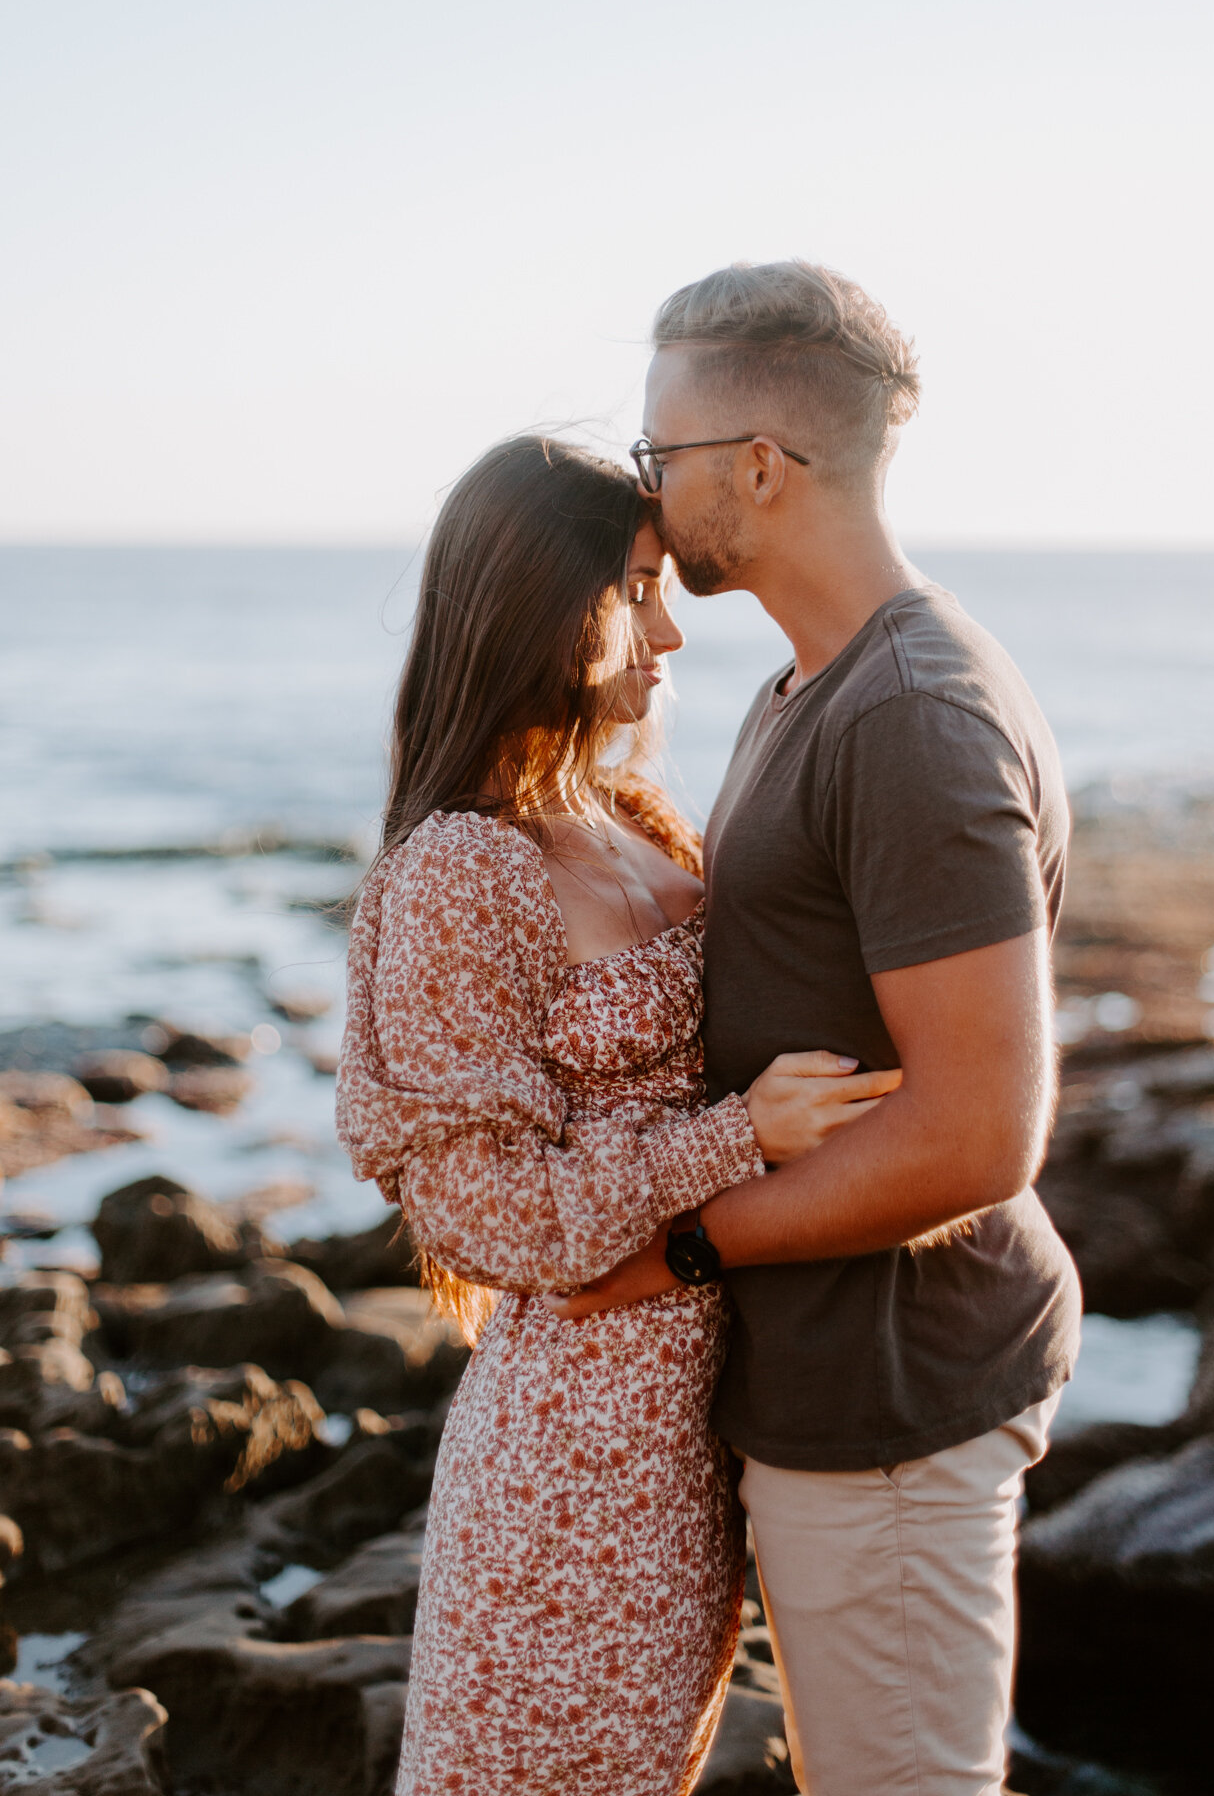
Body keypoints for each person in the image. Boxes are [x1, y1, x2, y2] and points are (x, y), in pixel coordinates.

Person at [552, 261, 1082, 1796]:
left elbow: (979, 1134)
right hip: (834, 1382)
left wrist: (675, 1246)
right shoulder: (808, 685)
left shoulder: (913, 714)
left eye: (660, 458)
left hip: (897, 1395)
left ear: (761, 468)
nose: (645, 496)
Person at [335, 435, 898, 1796]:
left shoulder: (633, 814)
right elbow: (491, 1219)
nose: (666, 631)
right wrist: (738, 1137)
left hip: (694, 1430)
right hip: (570, 1456)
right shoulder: (464, 870)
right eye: (633, 589)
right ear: (540, 601)